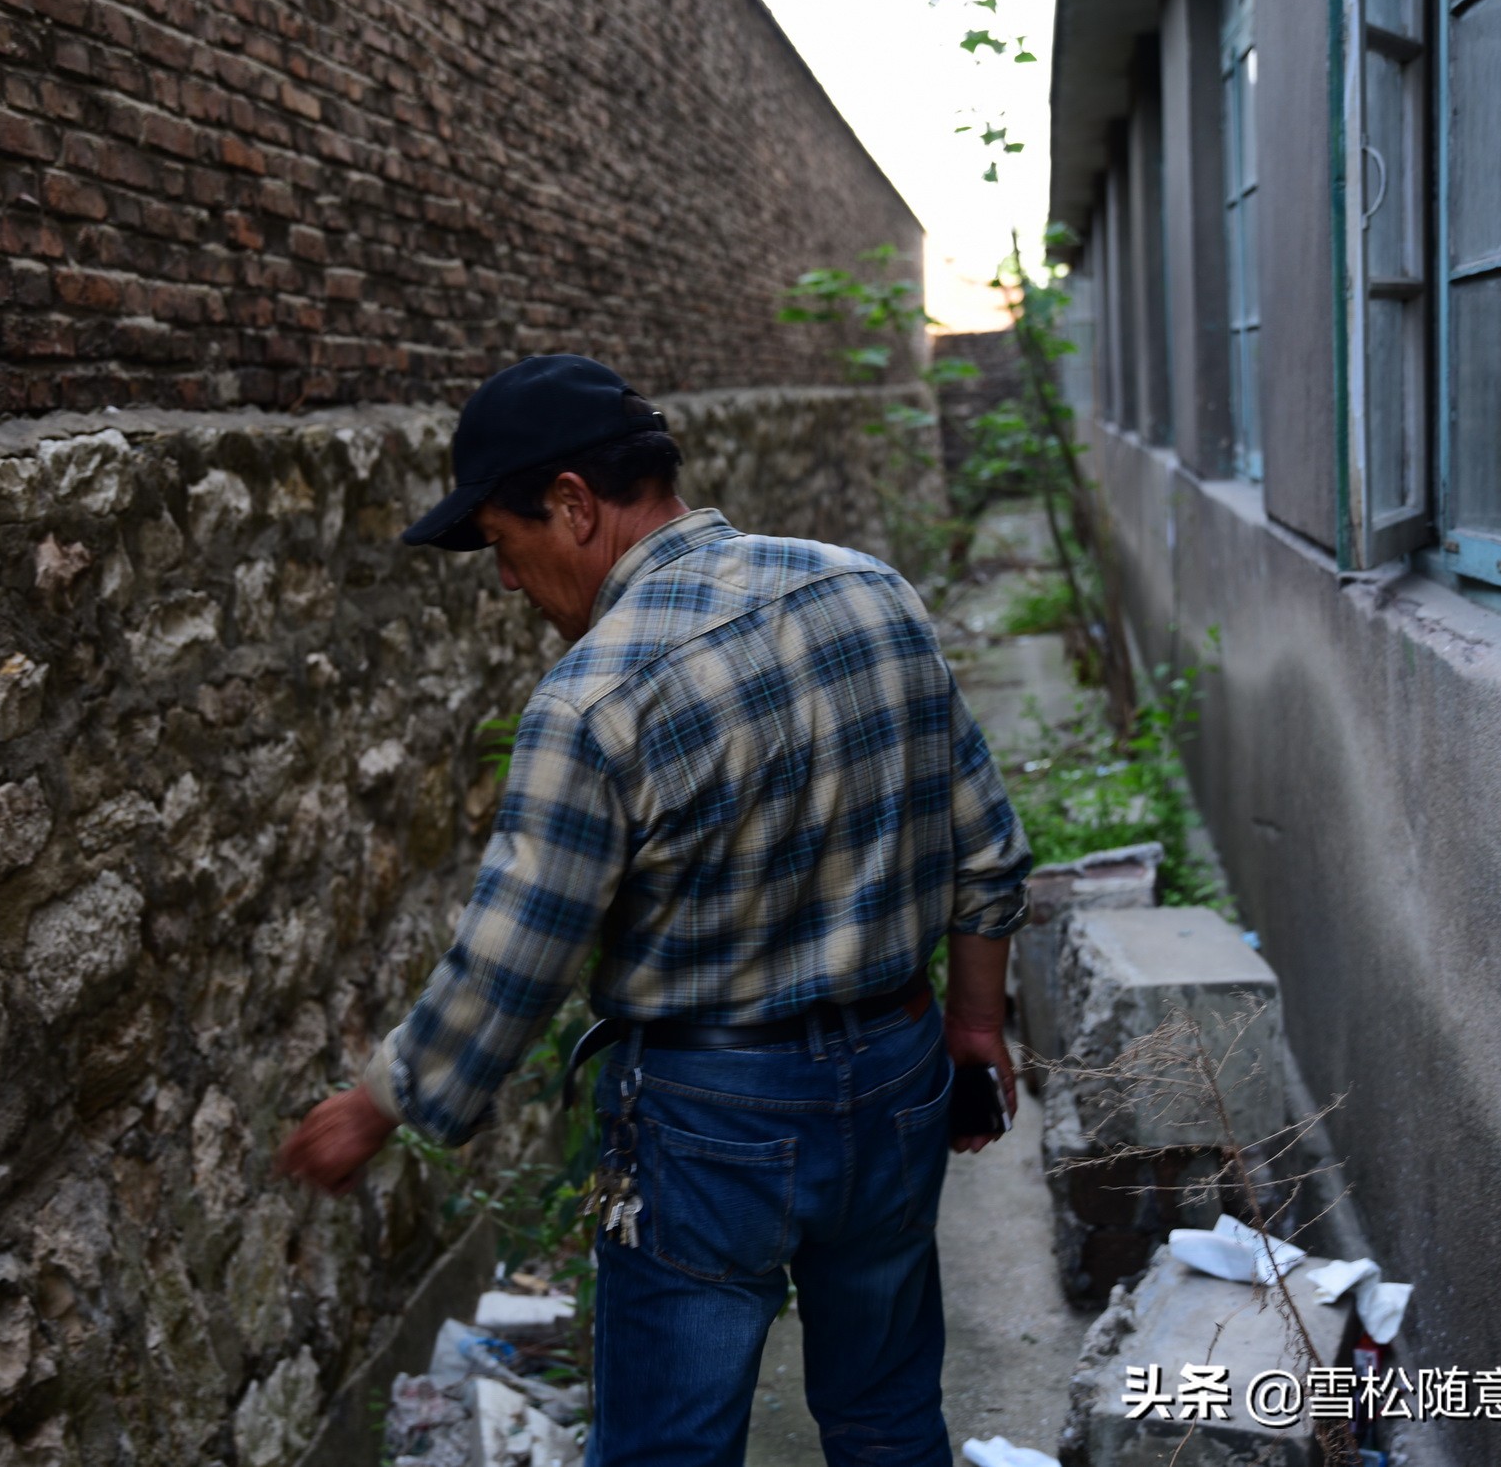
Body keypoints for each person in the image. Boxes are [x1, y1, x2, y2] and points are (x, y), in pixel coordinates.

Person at [279, 354, 1031, 1467]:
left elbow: (511, 960)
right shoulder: (869, 590)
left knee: (664, 1451)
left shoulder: (593, 699)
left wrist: (377, 1104)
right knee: (886, 1415)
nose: (502, 579)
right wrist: (972, 1031)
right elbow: (989, 850)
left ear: (575, 504)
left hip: (709, 1121)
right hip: (897, 1071)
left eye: (500, 540)